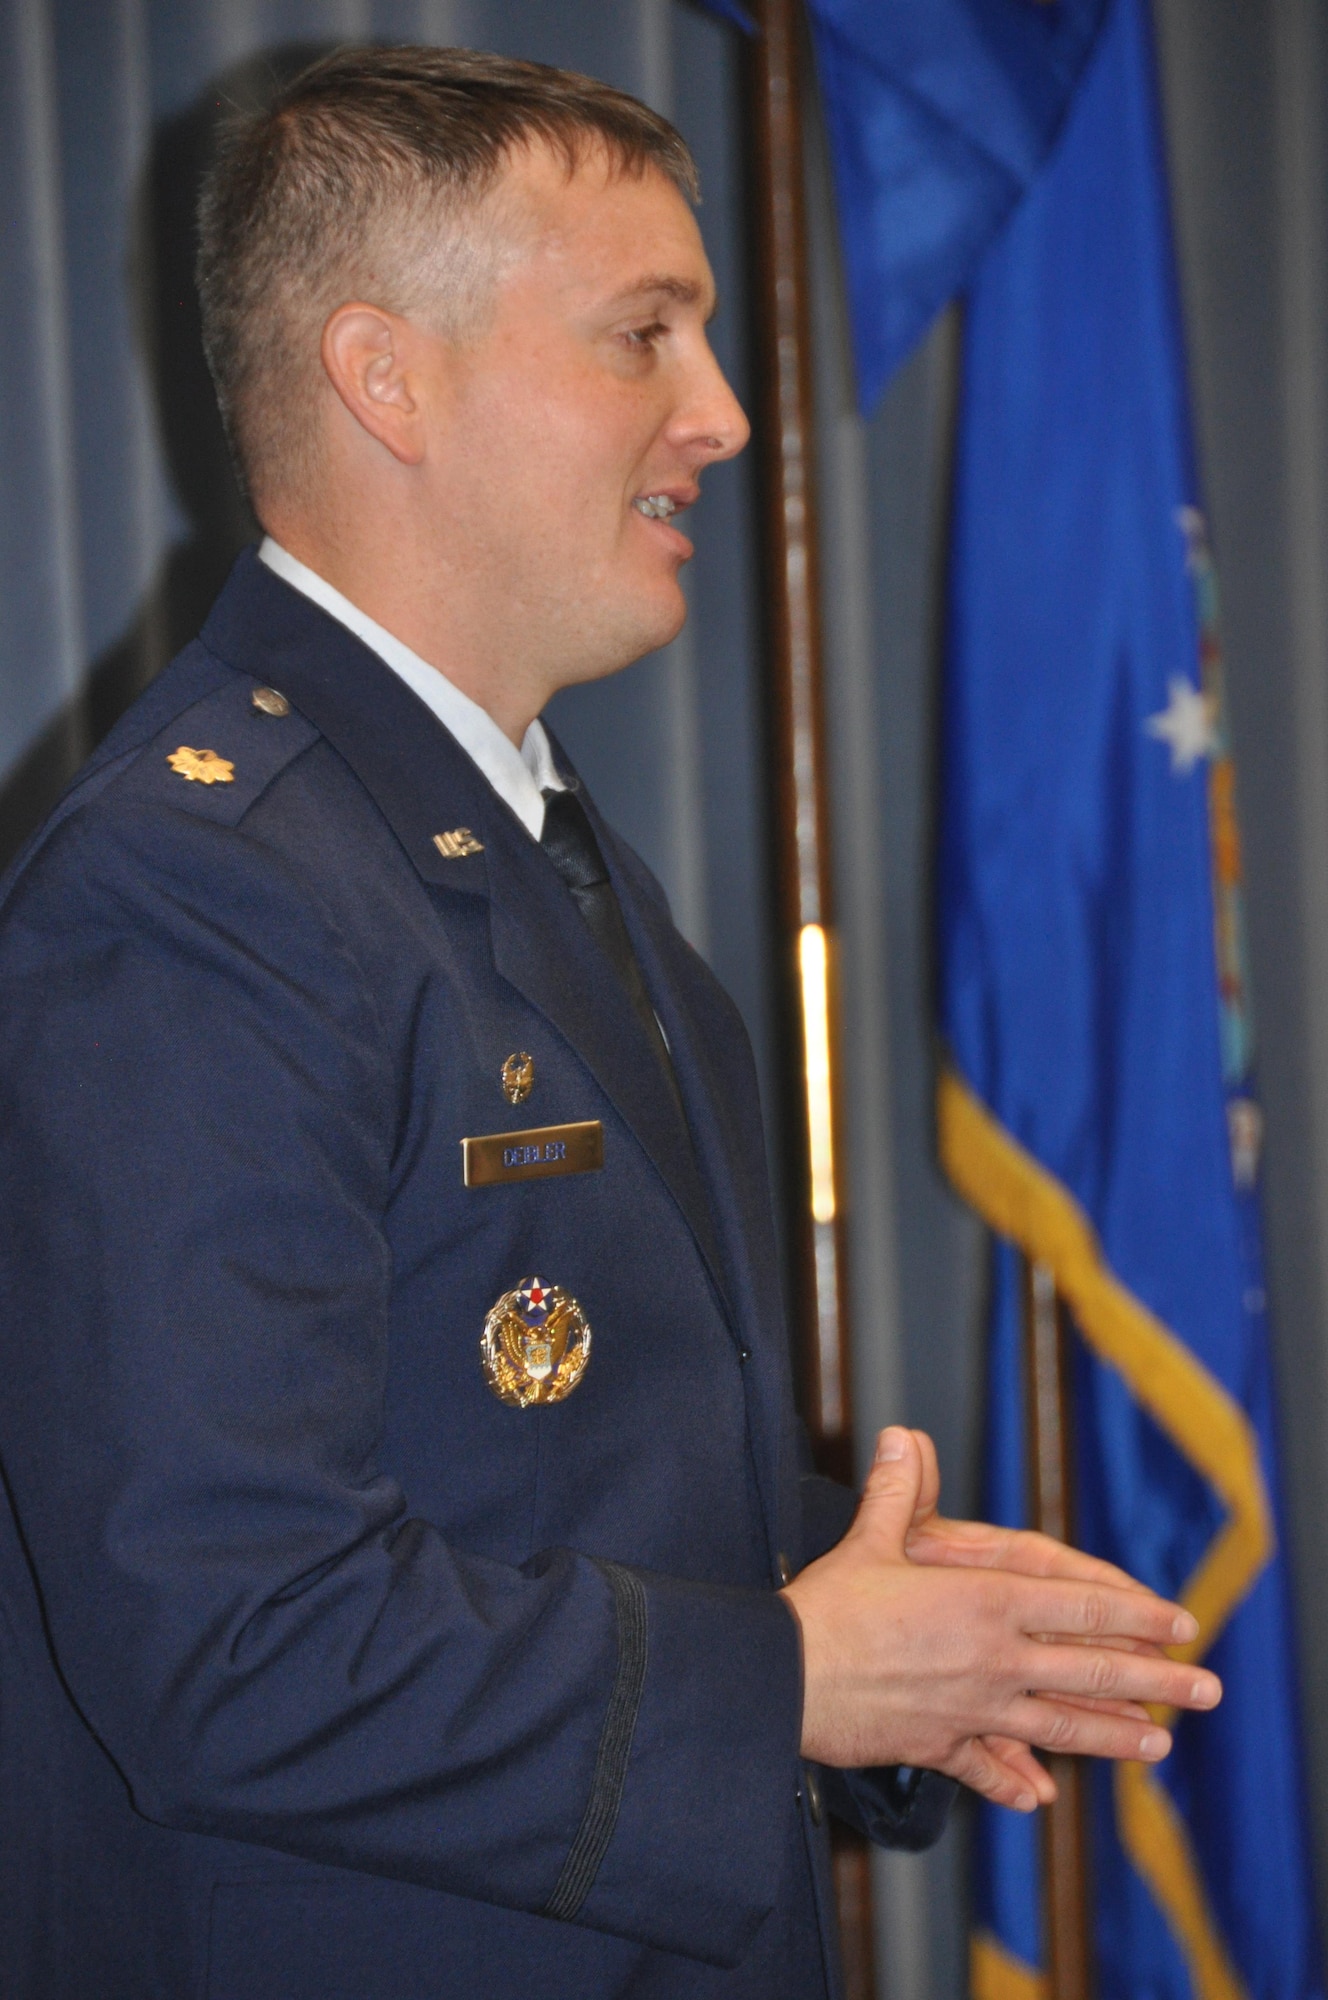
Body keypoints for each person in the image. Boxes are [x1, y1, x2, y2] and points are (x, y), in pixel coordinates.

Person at [0, 46, 1219, 2000]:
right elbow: (231, 1640)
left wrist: (886, 1633)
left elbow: (535, 1468)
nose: (724, 416)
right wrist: (794, 1675)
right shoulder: (195, 888)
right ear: (385, 378)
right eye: (642, 334)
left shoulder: (517, 838)